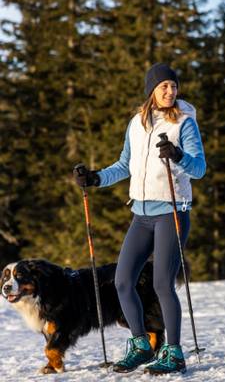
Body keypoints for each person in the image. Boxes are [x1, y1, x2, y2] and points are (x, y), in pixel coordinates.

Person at [74, 63, 206, 375]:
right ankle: (141, 344)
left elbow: (199, 168)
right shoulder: (137, 123)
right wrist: (95, 178)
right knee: (122, 281)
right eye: (164, 86)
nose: (170, 91)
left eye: (173, 86)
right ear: (151, 90)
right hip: (141, 215)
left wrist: (177, 156)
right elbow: (124, 165)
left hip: (172, 213)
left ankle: (174, 352)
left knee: (162, 283)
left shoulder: (184, 123)